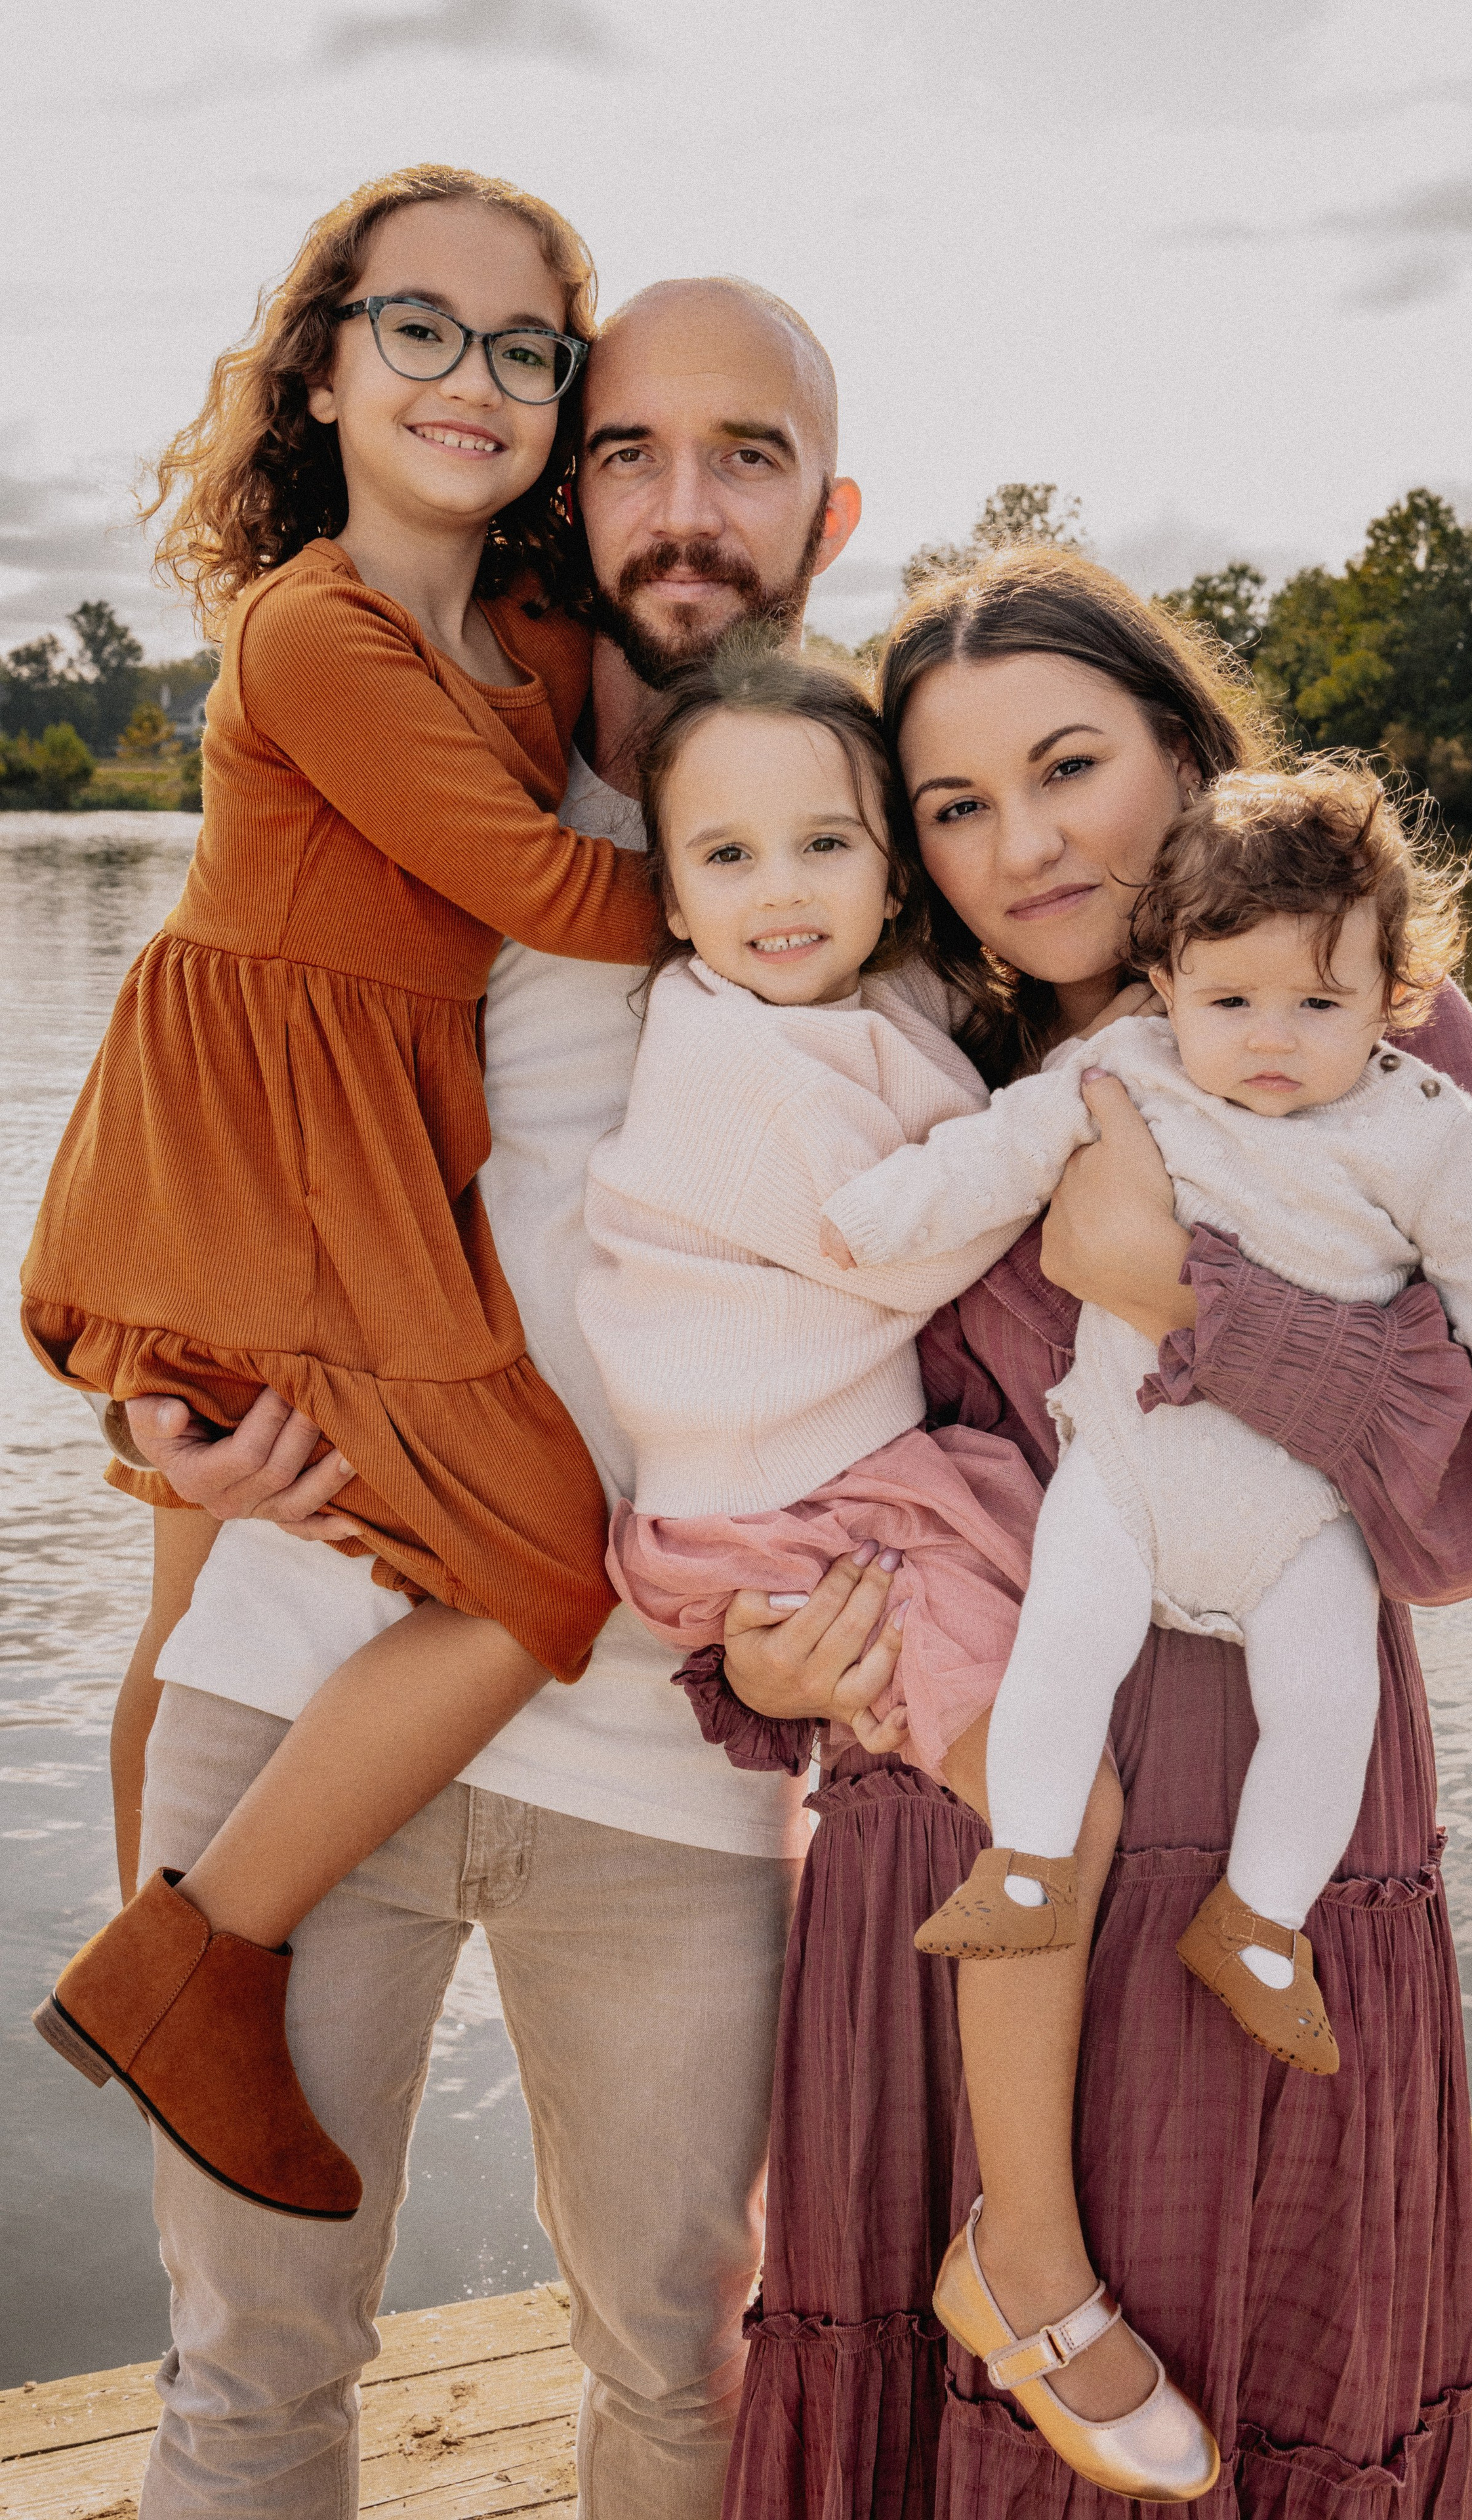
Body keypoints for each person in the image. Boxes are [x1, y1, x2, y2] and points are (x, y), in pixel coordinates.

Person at [73, 264, 863, 2517]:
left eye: (748, 456)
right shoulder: (428, 733)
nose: (681, 506)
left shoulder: (883, 837)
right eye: (627, 445)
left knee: (686, 2380)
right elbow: (210, 1103)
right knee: (247, 2389)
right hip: (299, 1667)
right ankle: (178, 1955)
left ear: (836, 499)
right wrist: (153, 1415)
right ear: (562, 481)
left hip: (679, 1769)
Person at [682, 547, 1472, 2518]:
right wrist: (747, 1655)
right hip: (955, 1818)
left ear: (1182, 750)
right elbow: (742, 1398)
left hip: (1254, 1823)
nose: (1023, 843)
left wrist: (1191, 1297)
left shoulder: (1381, 1040)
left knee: (1238, 2391)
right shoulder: (907, 1045)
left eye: (1069, 764)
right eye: (954, 805)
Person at [26, 165, 659, 2216]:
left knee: (201, 1578)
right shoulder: (317, 623)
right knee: (540, 1556)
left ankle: (164, 1989)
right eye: (420, 327)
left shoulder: (539, 631)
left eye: (525, 347)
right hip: (263, 1145)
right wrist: (822, 892)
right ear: (321, 360)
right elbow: (556, 885)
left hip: (356, 1132)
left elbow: (637, 744)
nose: (472, 377)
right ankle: (181, 1966)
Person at [576, 632, 1220, 2496]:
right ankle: (1020, 2253)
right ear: (670, 885)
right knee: (1054, 1803)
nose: (782, 898)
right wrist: (1111, 1097)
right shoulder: (740, 1057)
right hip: (795, 1514)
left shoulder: (862, 1008)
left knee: (1067, 1749)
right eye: (727, 859)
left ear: (887, 864)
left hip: (829, 1492)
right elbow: (909, 1230)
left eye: (828, 847)